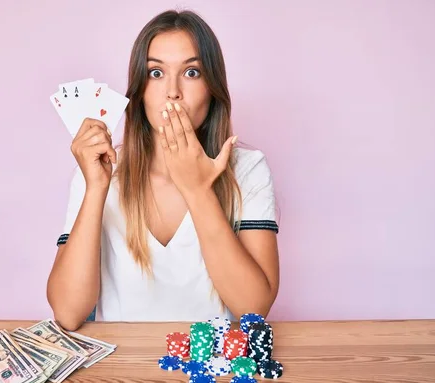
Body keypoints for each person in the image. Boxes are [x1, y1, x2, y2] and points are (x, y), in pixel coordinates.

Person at [47, 9, 280, 331]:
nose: (173, 91)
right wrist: (97, 188)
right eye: (156, 73)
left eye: (192, 72)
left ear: (212, 88)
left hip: (210, 367)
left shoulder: (248, 169)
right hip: (120, 369)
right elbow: (68, 314)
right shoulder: (99, 173)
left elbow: (252, 309)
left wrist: (198, 191)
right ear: (139, 90)